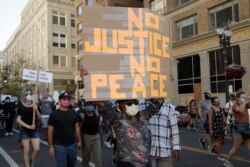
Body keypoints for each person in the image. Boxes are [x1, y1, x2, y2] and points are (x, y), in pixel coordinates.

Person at [97, 99, 154, 167]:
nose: (133, 105)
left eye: (135, 102)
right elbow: (102, 103)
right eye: (129, 103)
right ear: (122, 105)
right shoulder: (117, 119)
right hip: (126, 164)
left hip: (146, 164)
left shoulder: (143, 115)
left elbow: (158, 103)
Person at [47, 92, 81, 167]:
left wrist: (79, 141)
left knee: (72, 164)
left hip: (72, 144)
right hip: (59, 145)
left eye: (68, 99)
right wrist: (50, 146)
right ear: (59, 101)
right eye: (64, 99)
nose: (66, 101)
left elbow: (77, 127)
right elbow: (50, 131)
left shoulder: (73, 112)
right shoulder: (54, 114)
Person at [148, 98, 180, 167]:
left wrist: (176, 148)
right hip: (148, 151)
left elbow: (174, 130)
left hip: (165, 152)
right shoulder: (143, 105)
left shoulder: (169, 108)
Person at [223, 90, 250, 167]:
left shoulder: (245, 104)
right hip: (239, 129)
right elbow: (241, 110)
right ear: (237, 98)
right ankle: (227, 162)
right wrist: (245, 101)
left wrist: (248, 99)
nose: (244, 98)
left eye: (244, 97)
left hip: (246, 128)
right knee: (236, 148)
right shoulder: (235, 105)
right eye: (242, 97)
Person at [16, 88, 41, 167]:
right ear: (24, 95)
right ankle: (27, 165)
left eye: (30, 93)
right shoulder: (21, 106)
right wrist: (28, 126)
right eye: (27, 94)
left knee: (37, 149)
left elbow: (40, 118)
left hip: (35, 130)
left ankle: (32, 159)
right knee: (26, 150)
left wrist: (36, 110)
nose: (28, 95)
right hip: (25, 130)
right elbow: (18, 120)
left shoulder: (35, 105)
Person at [78, 101, 102, 167]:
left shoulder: (96, 114)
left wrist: (101, 137)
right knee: (86, 159)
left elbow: (98, 127)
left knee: (98, 160)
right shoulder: (82, 115)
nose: (89, 105)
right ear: (84, 105)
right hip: (86, 138)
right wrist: (79, 140)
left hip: (96, 137)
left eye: (90, 104)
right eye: (87, 104)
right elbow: (79, 128)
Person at [208, 97, 227, 161]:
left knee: (223, 141)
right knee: (218, 142)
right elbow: (210, 120)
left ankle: (212, 147)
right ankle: (219, 155)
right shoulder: (211, 110)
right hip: (215, 127)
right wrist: (210, 129)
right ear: (213, 102)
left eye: (219, 101)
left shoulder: (221, 109)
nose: (219, 102)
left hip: (221, 127)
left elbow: (223, 117)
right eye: (217, 101)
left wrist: (227, 124)